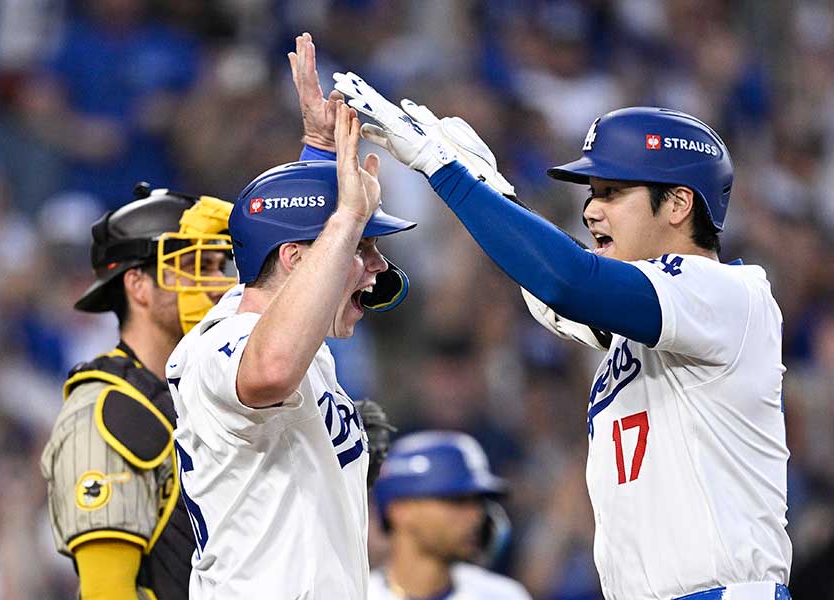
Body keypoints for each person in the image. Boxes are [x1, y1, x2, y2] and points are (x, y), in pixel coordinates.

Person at [332, 73, 792, 600]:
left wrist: (446, 173)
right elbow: (556, 296)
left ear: (679, 204)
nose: (591, 209)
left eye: (613, 193)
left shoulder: (729, 293)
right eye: (593, 194)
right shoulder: (655, 320)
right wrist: (492, 190)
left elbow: (568, 283)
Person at [166, 98, 416, 598]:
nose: (380, 267)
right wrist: (344, 221)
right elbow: (270, 368)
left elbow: (287, 268)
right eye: (363, 249)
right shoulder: (221, 345)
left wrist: (319, 153)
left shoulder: (295, 333)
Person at [40, 183, 235, 600]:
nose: (217, 283)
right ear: (138, 285)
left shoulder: (212, 388)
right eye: (196, 264)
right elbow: (107, 592)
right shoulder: (109, 408)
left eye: (220, 265)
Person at [370, 430, 532, 600]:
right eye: (457, 501)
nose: (476, 515)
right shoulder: (357, 594)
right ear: (400, 511)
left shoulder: (504, 596)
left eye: (478, 502)